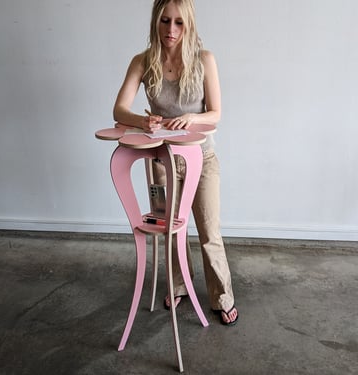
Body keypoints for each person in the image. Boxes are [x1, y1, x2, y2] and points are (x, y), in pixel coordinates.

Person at [113, 0, 238, 326]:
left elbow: (216, 113)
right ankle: (179, 285)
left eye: (179, 23)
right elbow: (119, 110)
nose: (171, 30)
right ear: (156, 21)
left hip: (201, 158)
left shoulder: (204, 60)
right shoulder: (143, 62)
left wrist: (189, 118)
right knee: (169, 231)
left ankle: (221, 296)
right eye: (165, 21)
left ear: (189, 24)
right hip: (161, 161)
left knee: (209, 231)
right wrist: (144, 121)